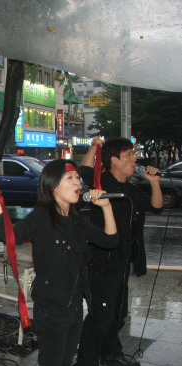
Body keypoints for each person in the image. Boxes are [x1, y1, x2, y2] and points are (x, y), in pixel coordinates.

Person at [0, 159, 118, 366]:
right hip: (51, 310)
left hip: (75, 309)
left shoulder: (77, 220)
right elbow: (10, 235)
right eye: (70, 178)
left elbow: (110, 241)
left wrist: (106, 207)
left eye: (78, 178)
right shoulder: (41, 216)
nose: (78, 183)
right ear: (53, 186)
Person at [76, 137, 163, 366]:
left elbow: (156, 207)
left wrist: (154, 182)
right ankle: (86, 360)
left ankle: (111, 354)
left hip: (123, 261)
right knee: (100, 314)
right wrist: (95, 146)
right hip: (102, 260)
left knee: (118, 312)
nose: (134, 160)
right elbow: (83, 170)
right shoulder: (101, 182)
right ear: (114, 160)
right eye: (128, 155)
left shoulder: (131, 190)